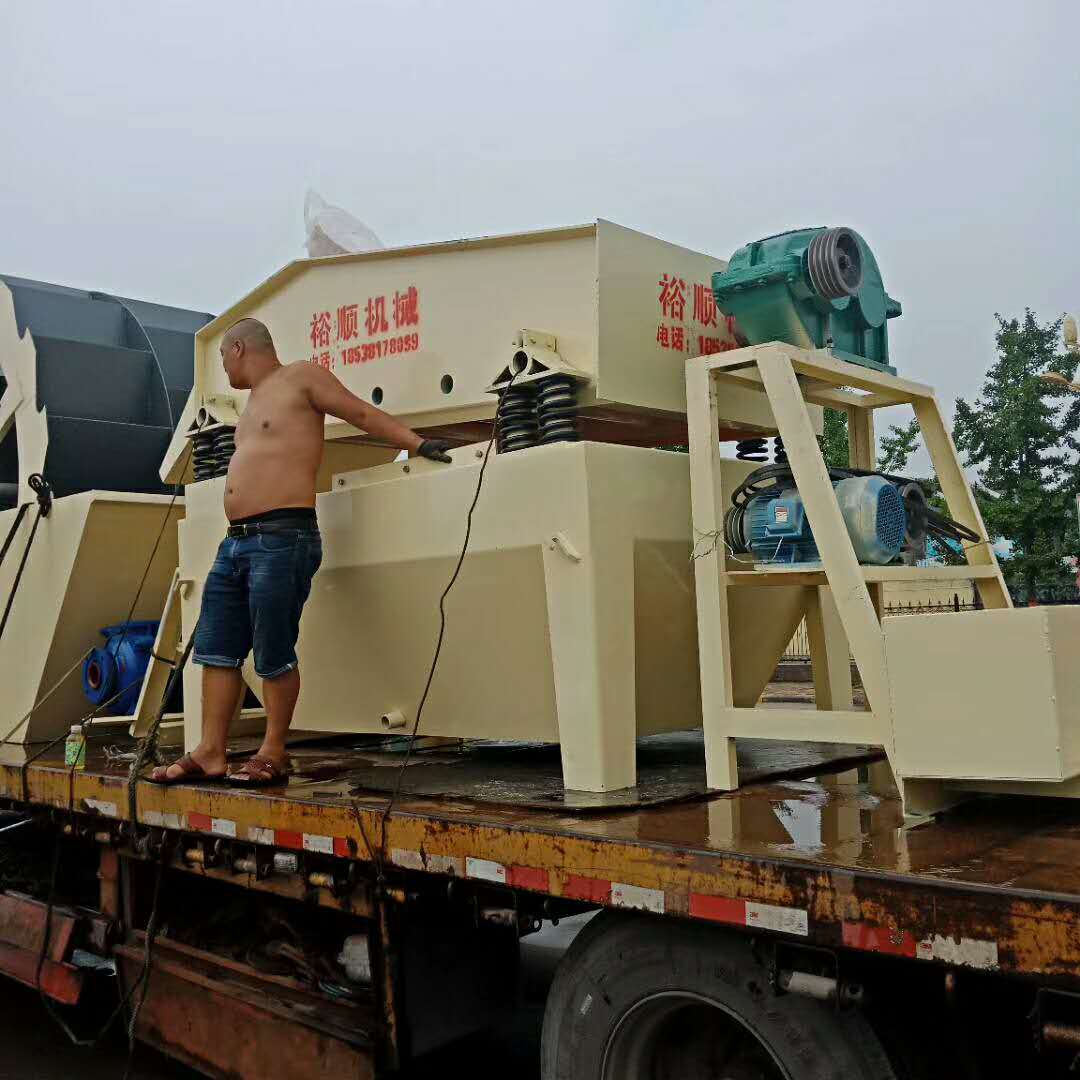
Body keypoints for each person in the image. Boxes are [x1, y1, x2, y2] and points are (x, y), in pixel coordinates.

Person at [151, 318, 451, 786]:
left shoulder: (302, 377)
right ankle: (210, 751)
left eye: (223, 358)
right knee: (216, 649)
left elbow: (360, 413)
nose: (224, 369)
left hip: (282, 535)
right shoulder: (250, 405)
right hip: (235, 542)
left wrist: (418, 444)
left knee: (273, 649)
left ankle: (273, 751)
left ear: (238, 348)